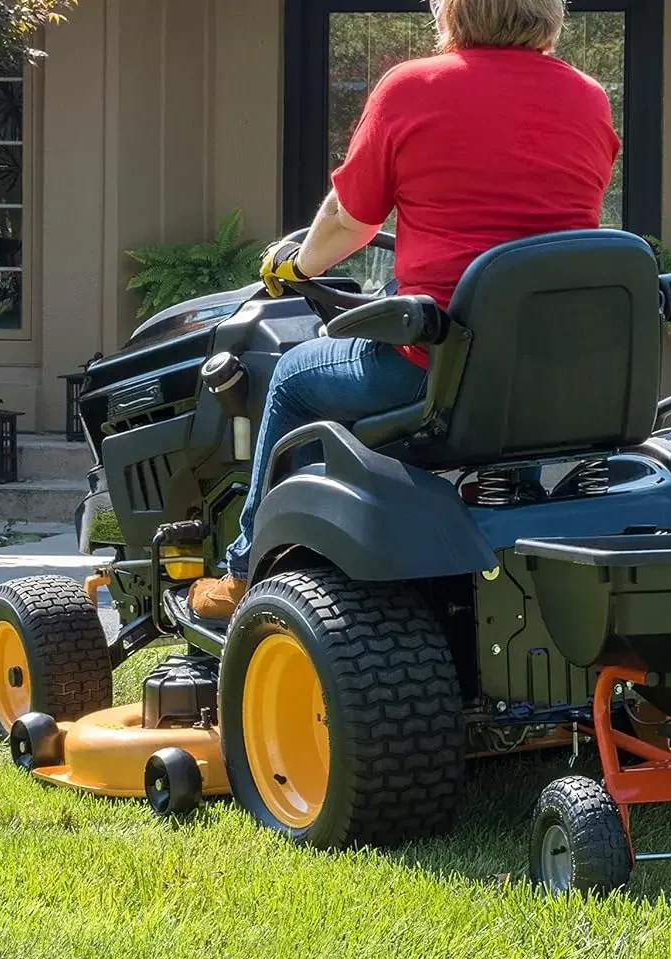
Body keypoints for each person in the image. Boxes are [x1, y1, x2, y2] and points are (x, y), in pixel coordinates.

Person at [189, 0, 620, 618]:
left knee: (292, 376)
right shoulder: (588, 97)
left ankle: (247, 568)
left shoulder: (413, 87)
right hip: (548, 373)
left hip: (437, 366)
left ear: (451, 12)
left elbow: (348, 219)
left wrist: (296, 266)